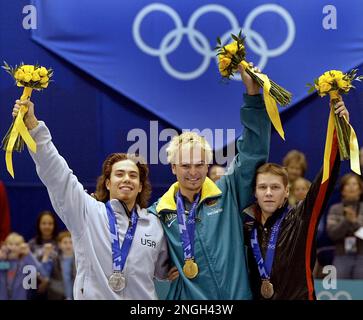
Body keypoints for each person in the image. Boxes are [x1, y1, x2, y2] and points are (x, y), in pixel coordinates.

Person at [13, 100, 171, 300]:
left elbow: (164, 271)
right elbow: (57, 175)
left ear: (140, 186)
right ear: (107, 183)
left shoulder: (154, 224)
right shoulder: (87, 213)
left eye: (133, 176)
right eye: (119, 174)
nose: (126, 179)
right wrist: (34, 128)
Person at [148, 65, 271, 299]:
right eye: (185, 165)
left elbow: (254, 151)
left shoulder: (228, 192)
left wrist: (253, 97)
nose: (193, 172)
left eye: (199, 164)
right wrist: (160, 271)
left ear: (208, 164)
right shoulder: (159, 213)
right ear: (173, 167)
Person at [243, 100, 349, 300]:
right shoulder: (247, 227)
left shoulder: (302, 218)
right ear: (254, 192)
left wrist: (338, 128)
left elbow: (326, 177)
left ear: (286, 191)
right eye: (262, 187)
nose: (268, 193)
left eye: (275, 187)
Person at [326, 173, 363, 279]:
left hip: (362, 256)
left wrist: (354, 222)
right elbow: (332, 234)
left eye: (354, 184)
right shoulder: (335, 209)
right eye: (348, 184)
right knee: (340, 288)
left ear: (360, 190)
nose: (351, 187)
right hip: (341, 255)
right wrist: (346, 221)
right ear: (342, 190)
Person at [0, 232, 47, 300]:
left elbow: (43, 273)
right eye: (10, 244)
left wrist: (28, 254)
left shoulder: (25, 262)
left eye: (17, 244)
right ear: (5, 246)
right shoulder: (3, 263)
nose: (13, 247)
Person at [42, 231, 76, 299]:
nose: (68, 245)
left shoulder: (80, 261)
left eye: (71, 242)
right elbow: (44, 273)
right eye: (65, 242)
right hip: (57, 296)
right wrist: (46, 255)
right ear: (59, 244)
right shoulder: (55, 260)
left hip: (76, 296)